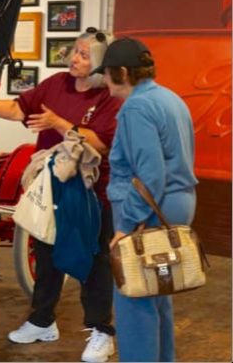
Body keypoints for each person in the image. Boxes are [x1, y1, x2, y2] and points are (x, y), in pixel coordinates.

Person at [0, 27, 122, 363]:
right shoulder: (56, 84)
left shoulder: (108, 97)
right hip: (52, 187)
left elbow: (100, 143)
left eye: (84, 54)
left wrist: (58, 122)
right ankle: (42, 321)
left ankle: (102, 332)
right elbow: (18, 109)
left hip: (92, 194)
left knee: (94, 262)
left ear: (100, 63)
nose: (74, 58)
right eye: (75, 51)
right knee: (46, 254)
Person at [96, 38, 198, 362]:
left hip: (151, 209)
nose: (105, 81)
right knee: (157, 292)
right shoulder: (169, 98)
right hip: (177, 203)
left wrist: (126, 225)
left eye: (108, 74)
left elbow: (150, 174)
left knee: (134, 297)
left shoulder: (137, 107)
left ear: (123, 72)